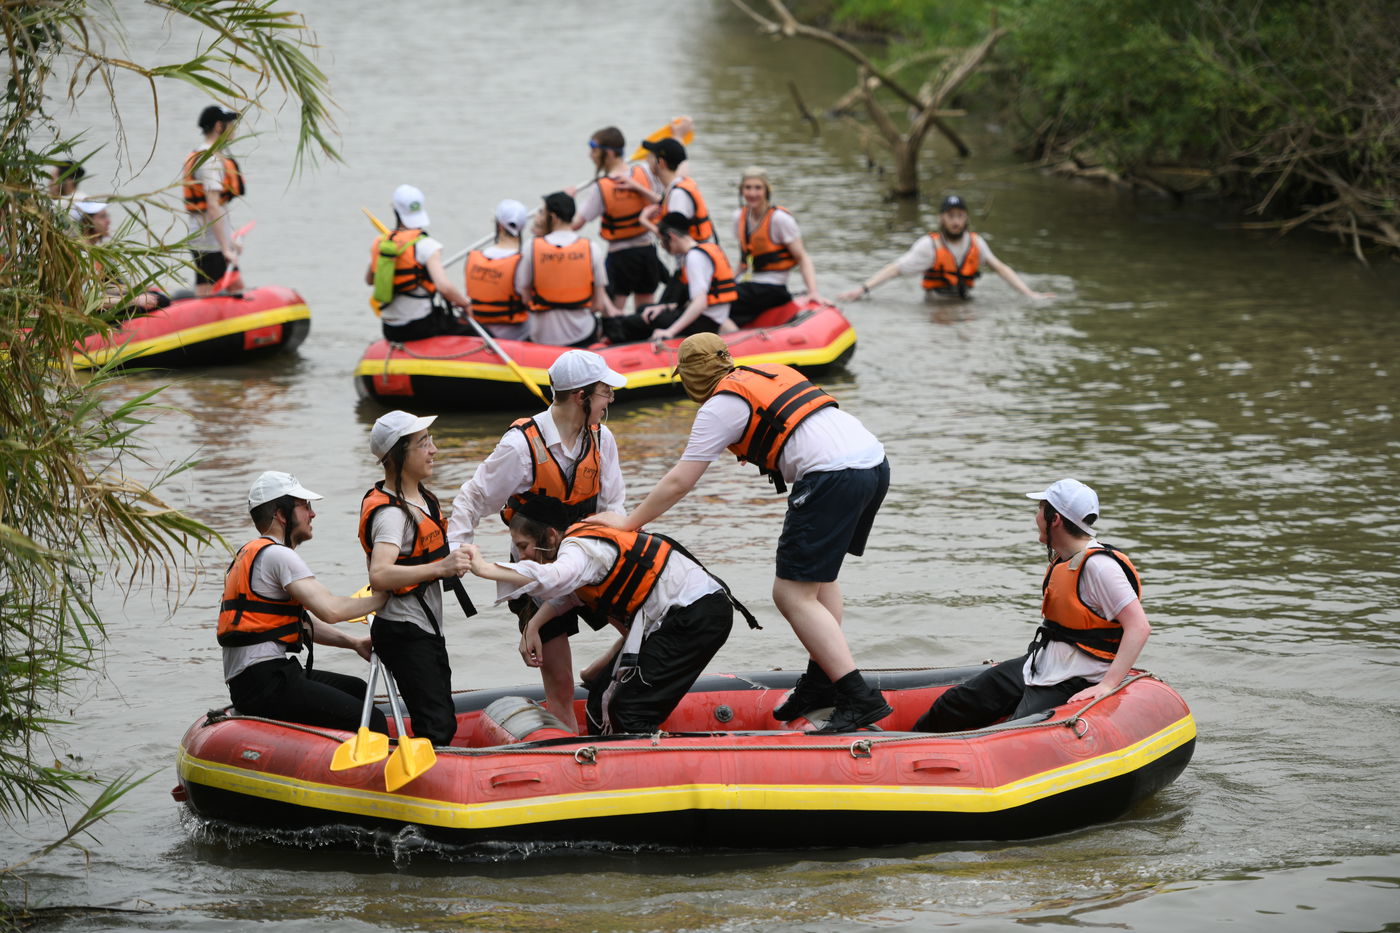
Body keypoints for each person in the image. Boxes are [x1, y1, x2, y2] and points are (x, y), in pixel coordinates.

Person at [591, 333, 892, 733]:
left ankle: (858, 696)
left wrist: (629, 523)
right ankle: (822, 683)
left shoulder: (720, 406)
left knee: (790, 594)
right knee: (820, 582)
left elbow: (680, 480)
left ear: (692, 376)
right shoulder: (770, 370)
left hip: (832, 476)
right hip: (872, 463)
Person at [465, 494, 755, 735]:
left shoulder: (580, 550)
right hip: (673, 619)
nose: (521, 555)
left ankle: (653, 780)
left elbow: (553, 578)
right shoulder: (579, 550)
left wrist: (483, 568)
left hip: (697, 614)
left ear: (551, 536)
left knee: (628, 709)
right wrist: (533, 627)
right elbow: (566, 597)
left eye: (523, 546)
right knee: (597, 701)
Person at [447, 350, 628, 732]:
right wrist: (458, 552)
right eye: (604, 392)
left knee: (641, 630)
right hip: (536, 573)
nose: (610, 398)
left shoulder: (602, 438)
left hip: (589, 563)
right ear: (582, 396)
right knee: (559, 682)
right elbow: (474, 497)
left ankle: (599, 672)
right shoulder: (520, 446)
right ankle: (569, 753)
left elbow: (614, 506)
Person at [914, 479, 1152, 732]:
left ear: (1055, 519)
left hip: (1076, 678)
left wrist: (1106, 685)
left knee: (1011, 733)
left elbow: (1139, 627)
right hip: (1043, 664)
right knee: (953, 704)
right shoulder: (1065, 559)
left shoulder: (1099, 566)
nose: (1036, 517)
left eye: (1040, 509)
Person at [219, 471, 389, 733]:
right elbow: (332, 609)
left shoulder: (250, 554)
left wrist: (354, 643)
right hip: (264, 682)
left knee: (358, 690)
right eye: (304, 506)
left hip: (254, 681)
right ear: (281, 513)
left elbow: (302, 623)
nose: (312, 514)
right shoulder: (278, 555)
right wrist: (387, 595)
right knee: (372, 720)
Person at [360, 410, 474, 747]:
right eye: (423, 443)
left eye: (431, 440)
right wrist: (441, 568)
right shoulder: (392, 513)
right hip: (404, 630)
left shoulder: (423, 500)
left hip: (425, 628)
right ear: (398, 454)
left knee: (442, 721)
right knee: (437, 726)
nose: (434, 450)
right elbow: (379, 574)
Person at [838, 195, 1054, 303]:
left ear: (966, 218)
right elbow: (895, 269)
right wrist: (862, 290)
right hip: (935, 303)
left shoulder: (976, 243)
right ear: (941, 218)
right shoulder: (928, 246)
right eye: (951, 216)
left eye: (960, 216)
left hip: (965, 301)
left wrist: (1030, 295)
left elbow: (1001, 268)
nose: (956, 221)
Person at [571, 126, 666, 313]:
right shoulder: (644, 172)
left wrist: (567, 200)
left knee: (614, 311)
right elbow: (663, 200)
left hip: (620, 257)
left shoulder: (601, 187)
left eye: (594, 150)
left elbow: (576, 224)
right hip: (647, 253)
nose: (591, 155)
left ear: (608, 153)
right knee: (645, 310)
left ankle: (615, 338)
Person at [603, 211, 737, 343]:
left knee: (628, 323)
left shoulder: (693, 257)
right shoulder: (705, 249)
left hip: (703, 324)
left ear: (671, 237)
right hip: (710, 319)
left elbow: (700, 302)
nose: (662, 246)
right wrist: (664, 307)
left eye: (662, 241)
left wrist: (670, 331)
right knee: (645, 309)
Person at [365, 184, 473, 344]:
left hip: (390, 329)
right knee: (479, 331)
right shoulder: (427, 245)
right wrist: (465, 305)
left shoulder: (380, 243)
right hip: (420, 327)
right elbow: (444, 288)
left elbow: (369, 280)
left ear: (394, 209)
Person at [515, 191, 619, 347]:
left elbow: (524, 296)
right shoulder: (592, 248)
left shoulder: (531, 247)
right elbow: (598, 304)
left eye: (544, 212)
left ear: (554, 217)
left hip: (541, 335)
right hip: (581, 334)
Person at [731, 167, 824, 323]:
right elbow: (743, 264)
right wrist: (726, 284)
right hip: (751, 285)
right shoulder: (738, 217)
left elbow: (802, 258)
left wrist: (812, 292)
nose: (752, 193)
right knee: (717, 295)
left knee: (723, 300)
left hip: (774, 288)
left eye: (757, 188)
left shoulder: (779, 219)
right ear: (741, 190)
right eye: (748, 188)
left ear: (767, 190)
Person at [182, 105, 246, 296]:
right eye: (230, 124)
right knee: (215, 290)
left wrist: (230, 237)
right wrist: (225, 248)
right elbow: (212, 206)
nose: (234, 128)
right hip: (209, 243)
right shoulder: (210, 160)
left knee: (224, 286)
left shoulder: (206, 154)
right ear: (219, 126)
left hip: (208, 239)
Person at [71, 198, 170, 316]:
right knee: (161, 301)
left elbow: (109, 287)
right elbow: (89, 300)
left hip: (105, 302)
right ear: (86, 223)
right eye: (102, 217)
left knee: (156, 295)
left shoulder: (97, 252)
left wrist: (141, 288)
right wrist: (135, 300)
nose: (108, 221)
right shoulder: (81, 256)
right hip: (92, 313)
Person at [464, 198, 531, 341]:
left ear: (499, 225)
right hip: (517, 334)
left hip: (479, 329)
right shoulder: (522, 261)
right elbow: (528, 301)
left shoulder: (473, 257)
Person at [638, 137, 715, 245]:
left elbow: (675, 239)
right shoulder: (677, 185)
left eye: (650, 156)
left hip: (693, 258)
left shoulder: (678, 194)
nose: (646, 160)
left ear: (661, 163)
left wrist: (644, 221)